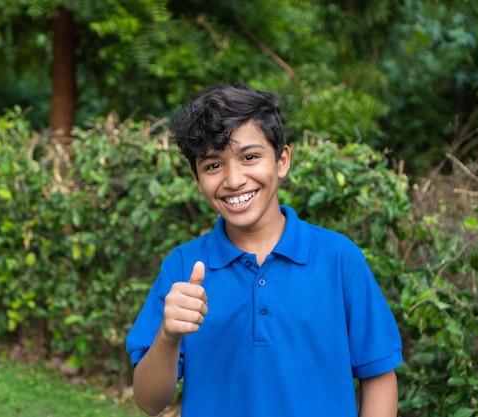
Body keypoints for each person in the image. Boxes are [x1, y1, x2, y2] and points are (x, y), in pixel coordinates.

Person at [126, 84, 403, 416]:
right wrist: (168, 337)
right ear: (197, 178)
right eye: (213, 165)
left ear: (281, 160)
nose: (233, 179)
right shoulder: (183, 267)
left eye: (250, 157)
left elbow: (379, 375)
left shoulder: (339, 259)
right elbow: (148, 401)